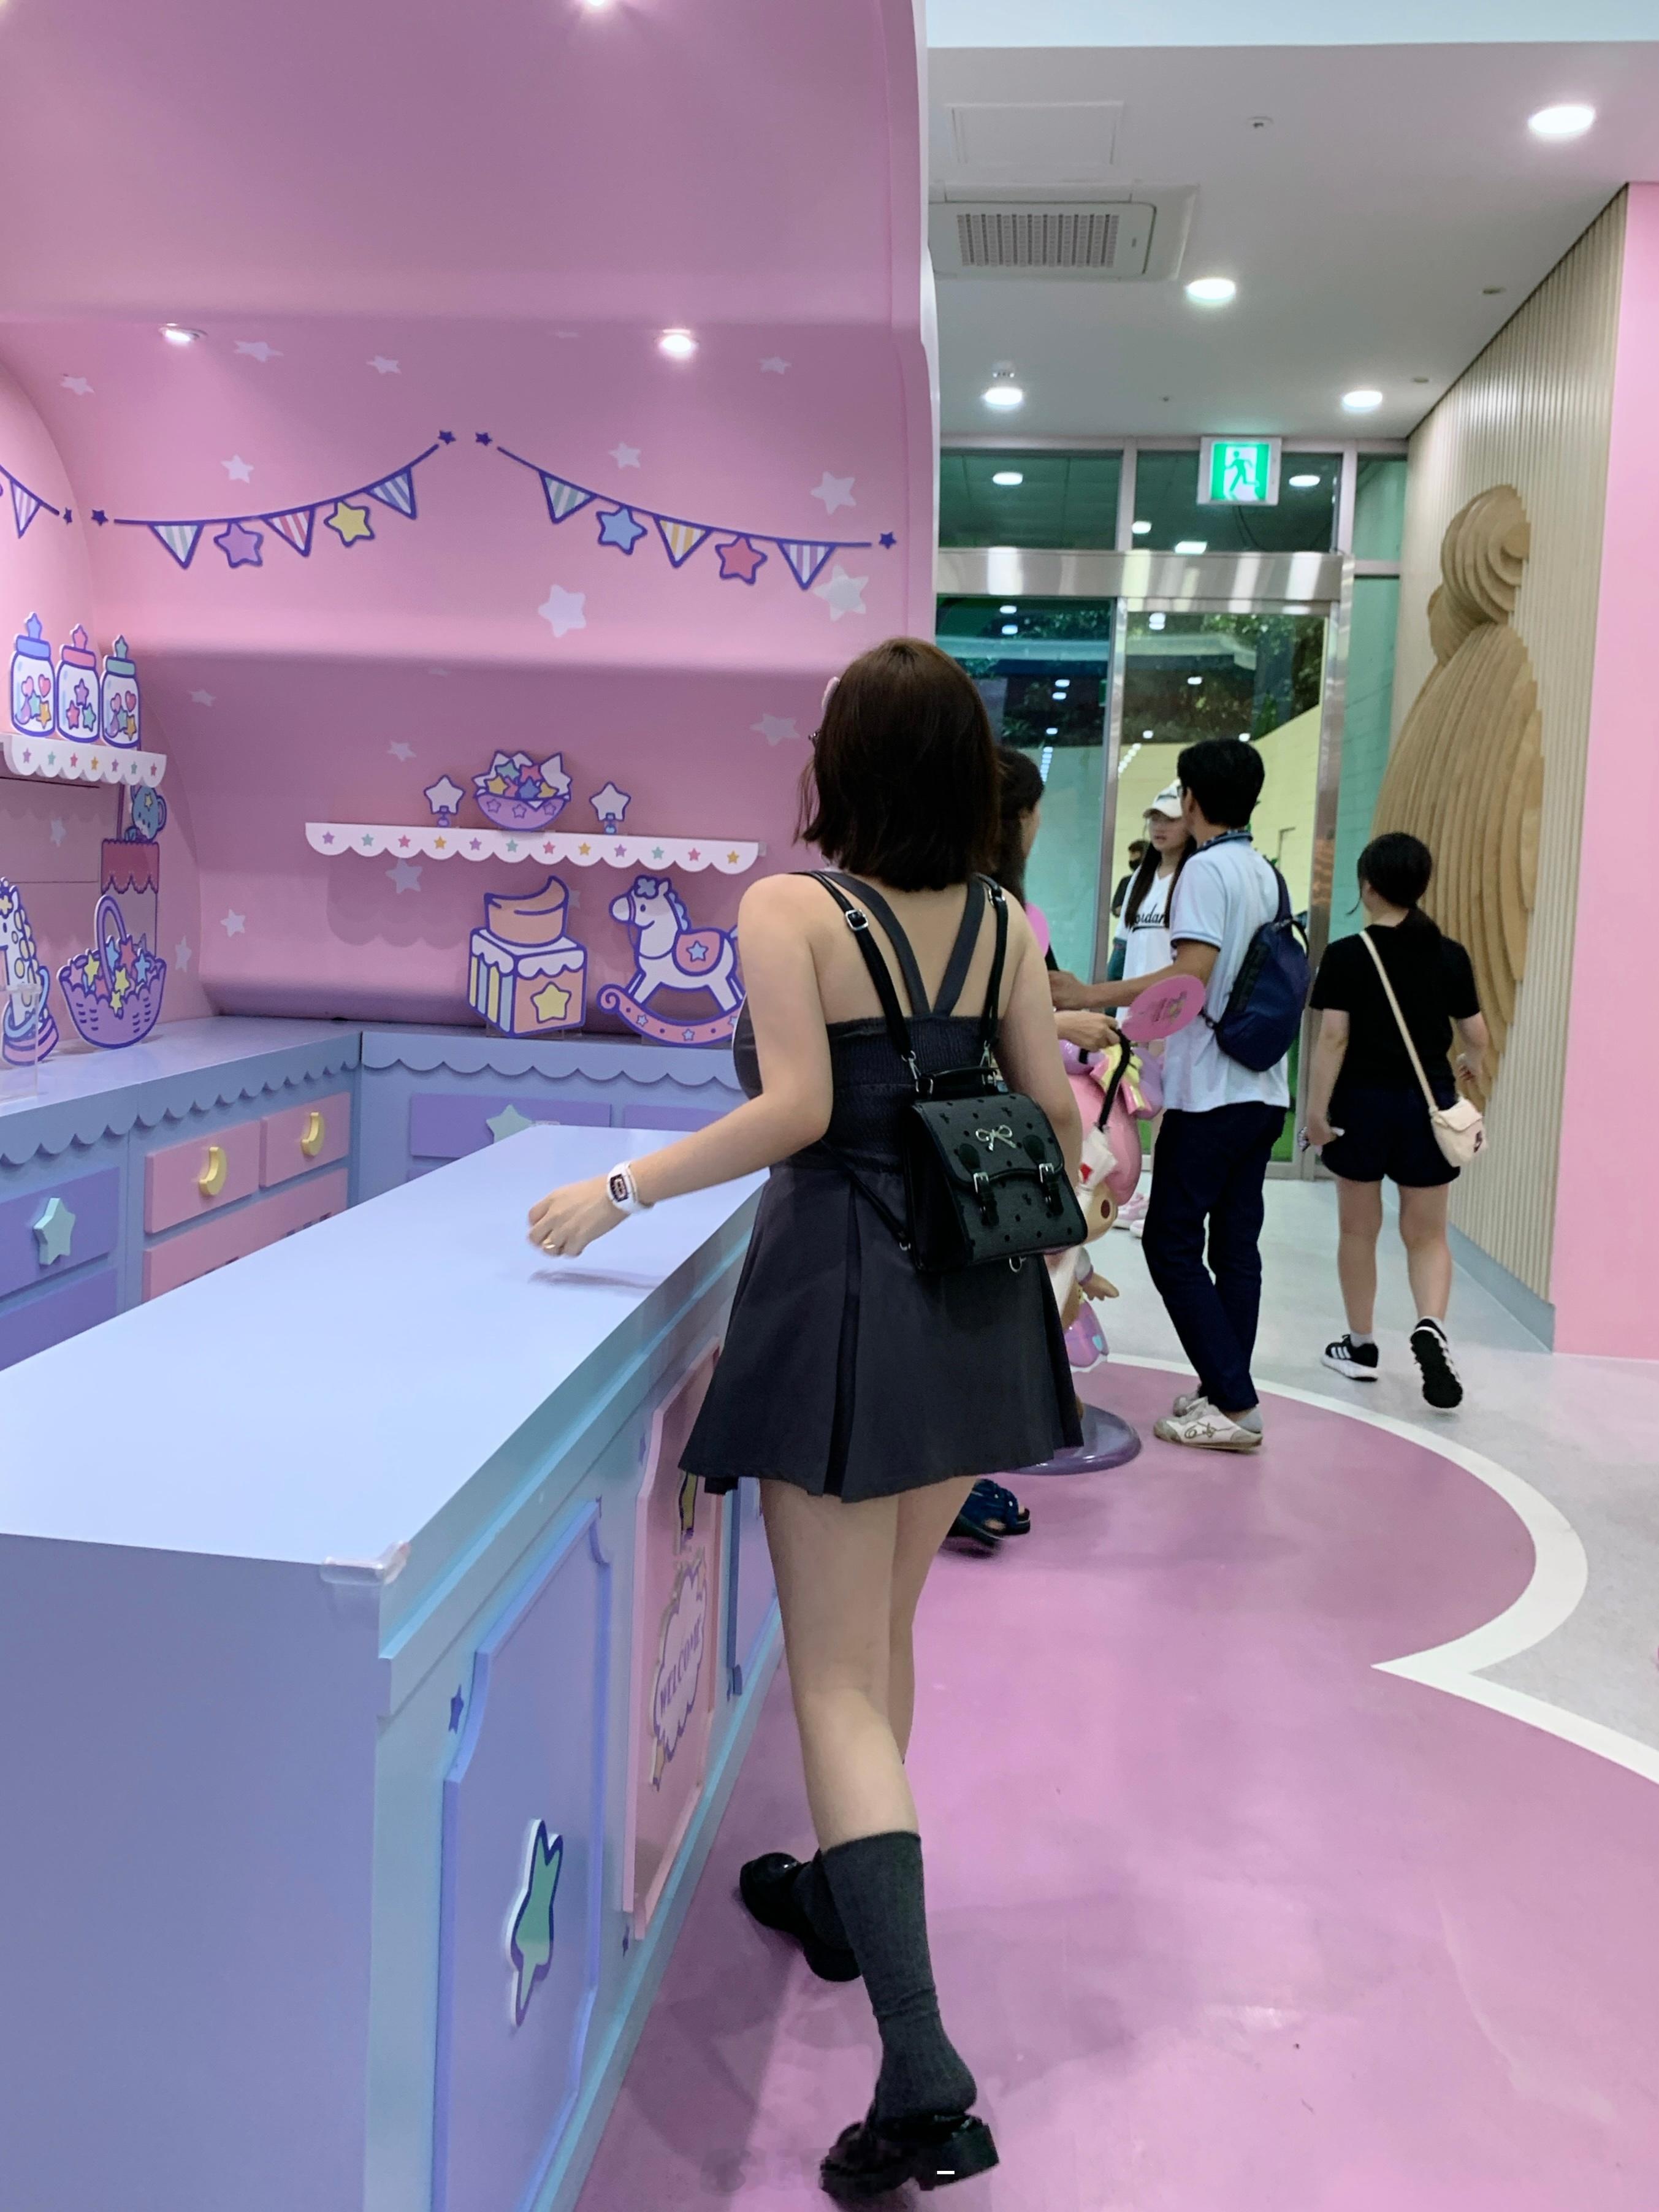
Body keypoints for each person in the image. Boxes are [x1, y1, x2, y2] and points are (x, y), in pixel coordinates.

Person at [527, 638, 1081, 2201]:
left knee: (831, 1674)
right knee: (880, 1637)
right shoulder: (1004, 922)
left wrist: (620, 1185)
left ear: (844, 766)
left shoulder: (792, 910)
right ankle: (849, 1893)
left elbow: (799, 1112)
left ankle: (921, 2070)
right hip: (973, 1309)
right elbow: (1047, 1111)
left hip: (844, 1300)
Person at [1051, 737, 1290, 1451]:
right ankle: (1224, 1387)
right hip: (1262, 1085)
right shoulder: (1266, 872)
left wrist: (1090, 995)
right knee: (1236, 1243)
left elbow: (1189, 977)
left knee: (1170, 1241)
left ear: (1191, 798)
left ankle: (1235, 1402)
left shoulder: (1205, 870)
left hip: (1210, 1089)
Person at [1305, 832, 1488, 1412]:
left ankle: (1360, 1347)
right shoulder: (1450, 954)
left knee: (1359, 1230)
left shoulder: (1347, 954)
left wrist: (1315, 1111)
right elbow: (1477, 1035)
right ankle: (1431, 1325)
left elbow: (1334, 1038)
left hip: (1361, 1105)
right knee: (1427, 1234)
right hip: (1428, 1107)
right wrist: (1470, 1062)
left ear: (1368, 885)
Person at [1108, 786, 1194, 1234]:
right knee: (1133, 1104)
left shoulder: (1193, 880)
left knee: (1164, 1112)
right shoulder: (1142, 880)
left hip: (1172, 1018)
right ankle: (1142, 1192)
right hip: (1134, 1018)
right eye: (1154, 818)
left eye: (1170, 818)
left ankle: (1163, 1201)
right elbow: (1123, 950)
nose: (1160, 827)